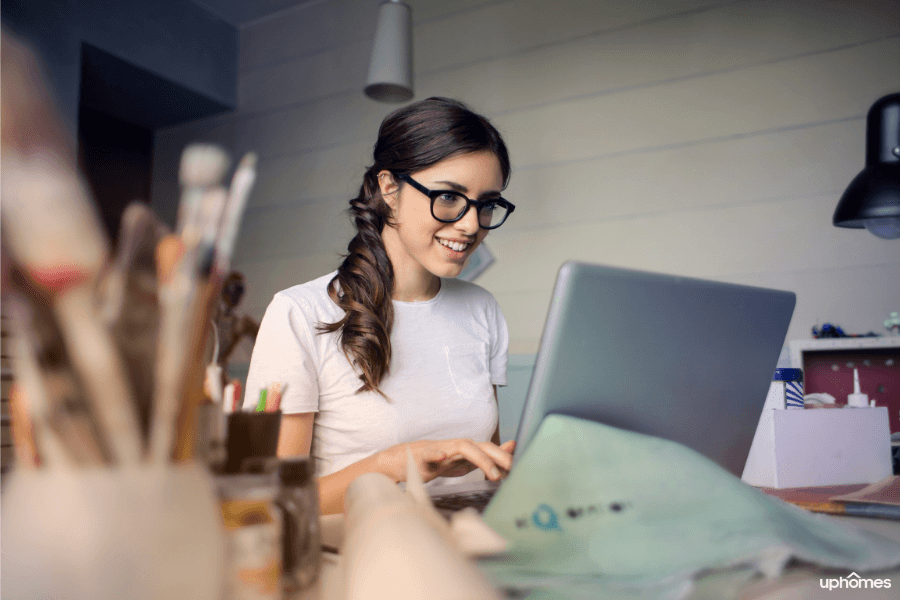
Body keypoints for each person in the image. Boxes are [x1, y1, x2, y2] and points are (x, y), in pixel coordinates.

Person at [243, 97, 517, 514]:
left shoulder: (482, 309)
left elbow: (489, 464)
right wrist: (394, 465)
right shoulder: (298, 313)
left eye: (487, 204)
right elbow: (273, 502)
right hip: (363, 552)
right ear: (390, 188)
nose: (471, 224)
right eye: (448, 197)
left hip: (469, 544)